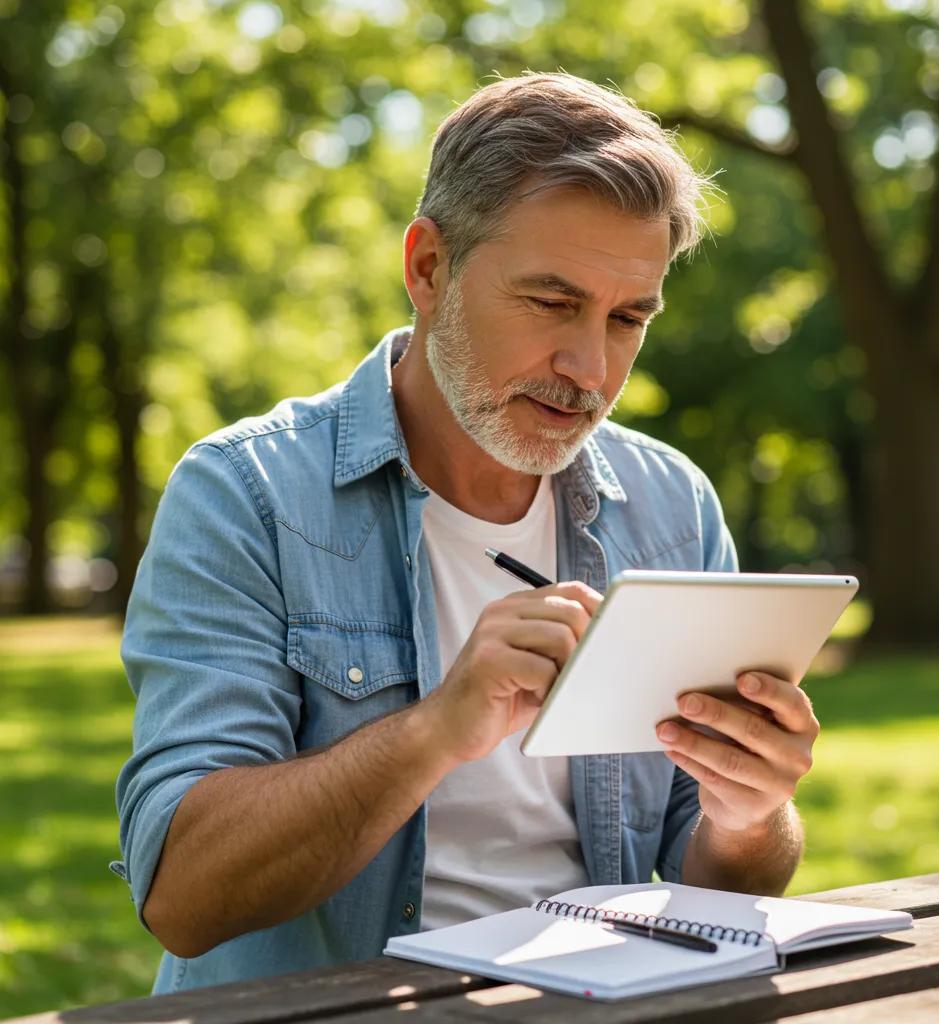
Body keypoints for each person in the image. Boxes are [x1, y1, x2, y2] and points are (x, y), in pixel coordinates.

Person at [112, 71, 820, 995]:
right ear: (427, 268)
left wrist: (752, 809)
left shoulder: (672, 505)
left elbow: (724, 880)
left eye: (627, 318)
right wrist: (439, 729)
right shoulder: (247, 492)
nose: (588, 366)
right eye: (552, 302)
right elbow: (183, 893)